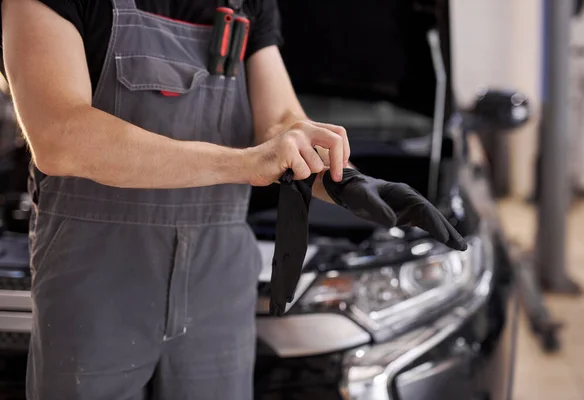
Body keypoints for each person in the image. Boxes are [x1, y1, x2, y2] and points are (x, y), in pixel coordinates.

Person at [1, 0, 350, 399]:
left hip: (219, 281)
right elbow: (61, 136)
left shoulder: (249, 3)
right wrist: (246, 163)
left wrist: (344, 179)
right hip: (96, 281)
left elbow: (282, 120)